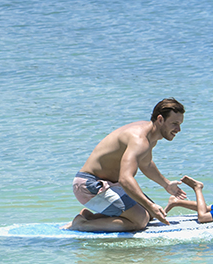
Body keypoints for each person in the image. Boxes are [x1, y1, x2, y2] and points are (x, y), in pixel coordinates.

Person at [66, 98, 188, 232]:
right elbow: (125, 179)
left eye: (180, 124)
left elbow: (146, 164)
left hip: (108, 184)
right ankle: (81, 225)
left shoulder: (149, 135)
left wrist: (166, 184)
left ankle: (91, 217)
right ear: (160, 119)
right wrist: (150, 204)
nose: (179, 129)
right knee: (140, 220)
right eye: (174, 123)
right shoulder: (139, 140)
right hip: (89, 186)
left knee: (151, 214)